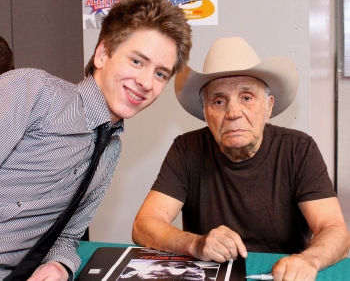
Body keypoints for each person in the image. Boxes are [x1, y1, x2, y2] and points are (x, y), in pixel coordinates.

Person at [0, 0, 191, 281]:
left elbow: (68, 236)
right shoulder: (31, 91)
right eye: (137, 61)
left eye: (161, 73)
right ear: (102, 54)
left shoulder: (110, 149)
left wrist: (59, 265)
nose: (146, 83)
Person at [132, 37, 350, 281]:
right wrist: (194, 243)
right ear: (205, 112)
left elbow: (336, 231)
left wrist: (309, 259)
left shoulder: (299, 149)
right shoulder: (187, 148)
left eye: (247, 97)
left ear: (269, 107)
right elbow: (144, 224)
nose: (233, 113)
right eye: (218, 101)